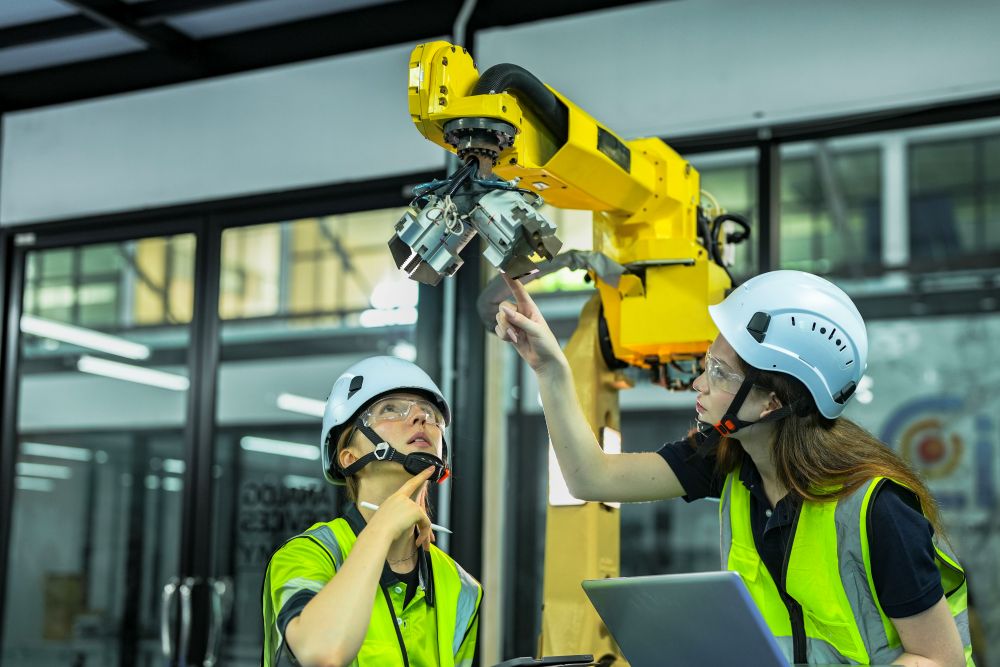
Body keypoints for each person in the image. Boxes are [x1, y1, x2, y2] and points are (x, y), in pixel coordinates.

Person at [495, 269, 973, 667]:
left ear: (771, 402)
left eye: (720, 372)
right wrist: (550, 370)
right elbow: (590, 478)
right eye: (708, 362)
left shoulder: (878, 509)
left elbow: (939, 660)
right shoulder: (726, 457)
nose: (700, 382)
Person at [262, 356, 483, 667]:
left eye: (430, 413)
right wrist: (382, 529)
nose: (420, 417)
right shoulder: (307, 555)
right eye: (391, 409)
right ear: (349, 456)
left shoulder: (461, 586)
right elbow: (321, 653)